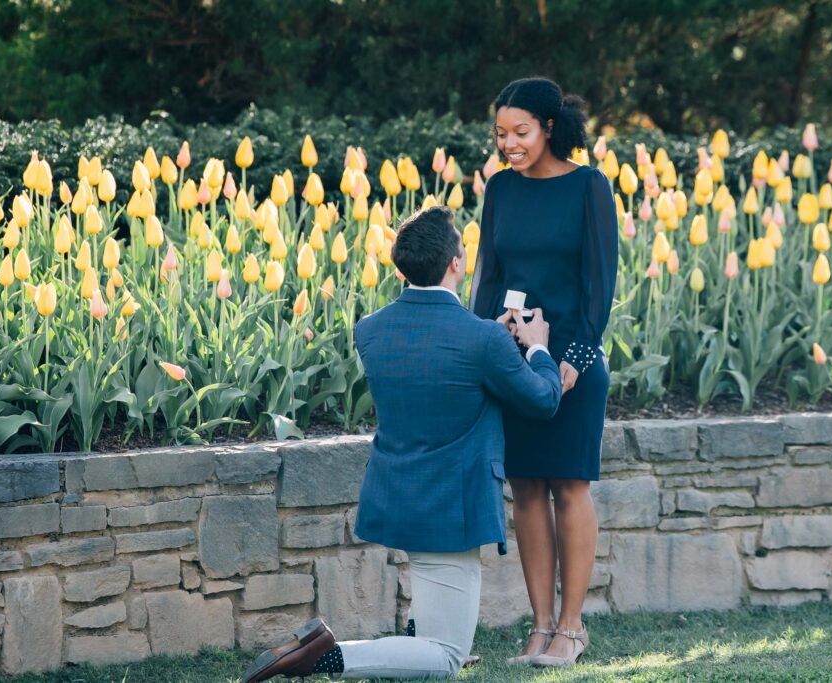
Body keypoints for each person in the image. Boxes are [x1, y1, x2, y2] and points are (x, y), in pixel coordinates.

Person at [240, 205, 563, 682]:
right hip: (453, 504)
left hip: (398, 493)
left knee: (432, 620)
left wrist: (491, 340)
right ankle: (327, 656)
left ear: (400, 266)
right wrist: (536, 348)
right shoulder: (483, 340)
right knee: (448, 656)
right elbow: (542, 400)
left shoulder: (371, 329)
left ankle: (408, 633)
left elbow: (433, 364)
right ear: (456, 263)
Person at [470, 76, 619, 667]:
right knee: (527, 488)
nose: (509, 143)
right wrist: (487, 342)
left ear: (549, 127)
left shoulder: (589, 187)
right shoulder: (501, 189)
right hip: (513, 360)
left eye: (521, 132)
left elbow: (599, 285)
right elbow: (487, 276)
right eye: (501, 133)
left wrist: (574, 361)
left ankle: (572, 628)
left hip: (572, 363)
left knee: (569, 484)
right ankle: (539, 628)